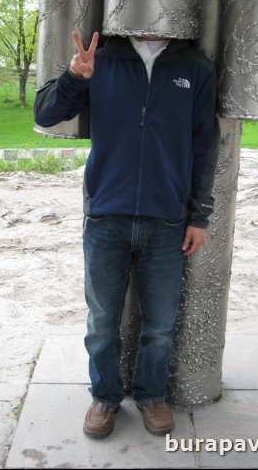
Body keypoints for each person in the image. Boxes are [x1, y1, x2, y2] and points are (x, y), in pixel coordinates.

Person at [34, 30, 220, 438]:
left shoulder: (194, 66)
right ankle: (104, 397)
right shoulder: (102, 58)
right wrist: (75, 76)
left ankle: (151, 395)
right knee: (102, 321)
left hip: (167, 219)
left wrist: (199, 216)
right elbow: (44, 115)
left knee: (159, 323)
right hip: (106, 216)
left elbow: (205, 146)